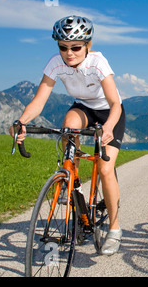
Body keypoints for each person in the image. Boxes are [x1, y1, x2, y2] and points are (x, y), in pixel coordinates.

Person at [9, 15, 125, 255]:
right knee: (68, 125)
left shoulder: (98, 62)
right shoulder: (55, 63)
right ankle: (68, 176)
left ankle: (114, 229)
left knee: (105, 169)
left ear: (87, 46)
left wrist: (109, 128)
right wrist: (21, 121)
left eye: (75, 47)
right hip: (83, 107)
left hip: (109, 112)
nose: (69, 53)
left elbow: (115, 103)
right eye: (63, 47)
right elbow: (39, 100)